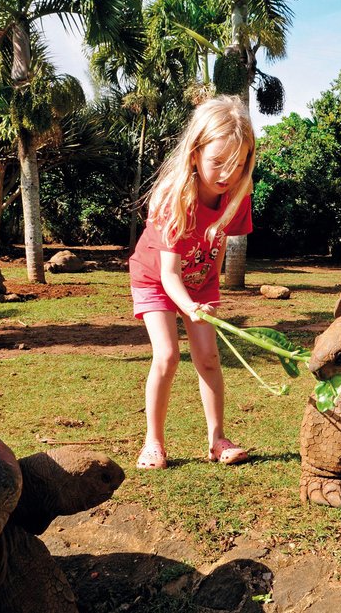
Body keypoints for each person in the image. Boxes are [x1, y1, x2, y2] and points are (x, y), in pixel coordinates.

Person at [128, 95, 255, 470]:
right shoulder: (175, 198)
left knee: (209, 358)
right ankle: (153, 442)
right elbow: (168, 274)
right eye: (217, 162)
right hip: (155, 279)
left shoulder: (237, 194)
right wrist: (190, 306)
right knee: (167, 356)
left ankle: (217, 440)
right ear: (196, 153)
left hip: (197, 284)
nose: (226, 174)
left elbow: (217, 246)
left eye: (237, 164)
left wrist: (209, 290)